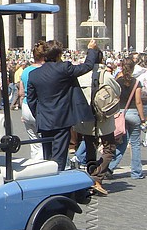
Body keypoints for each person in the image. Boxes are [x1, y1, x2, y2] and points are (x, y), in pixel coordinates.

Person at [26, 39, 99, 171]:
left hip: (45, 121)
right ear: (59, 54)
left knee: (48, 156)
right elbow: (87, 66)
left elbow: (31, 100)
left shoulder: (33, 75)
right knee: (59, 157)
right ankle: (56, 183)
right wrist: (91, 50)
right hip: (62, 119)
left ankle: (47, 178)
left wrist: (39, 115)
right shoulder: (64, 68)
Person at [74, 50, 120, 195]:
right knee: (109, 148)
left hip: (86, 118)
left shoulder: (80, 76)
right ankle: (96, 176)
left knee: (90, 150)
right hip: (104, 118)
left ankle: (91, 178)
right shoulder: (106, 76)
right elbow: (117, 92)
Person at [108, 58, 147, 180]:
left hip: (120, 113)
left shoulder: (117, 82)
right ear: (133, 68)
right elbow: (138, 101)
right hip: (133, 113)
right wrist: (142, 118)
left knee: (121, 143)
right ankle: (136, 172)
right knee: (135, 144)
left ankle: (109, 167)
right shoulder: (136, 83)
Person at [18, 42, 47, 160]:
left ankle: (34, 163)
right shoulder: (45, 71)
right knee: (45, 140)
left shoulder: (25, 71)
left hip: (26, 106)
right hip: (39, 108)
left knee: (34, 142)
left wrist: (22, 111)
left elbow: (21, 93)